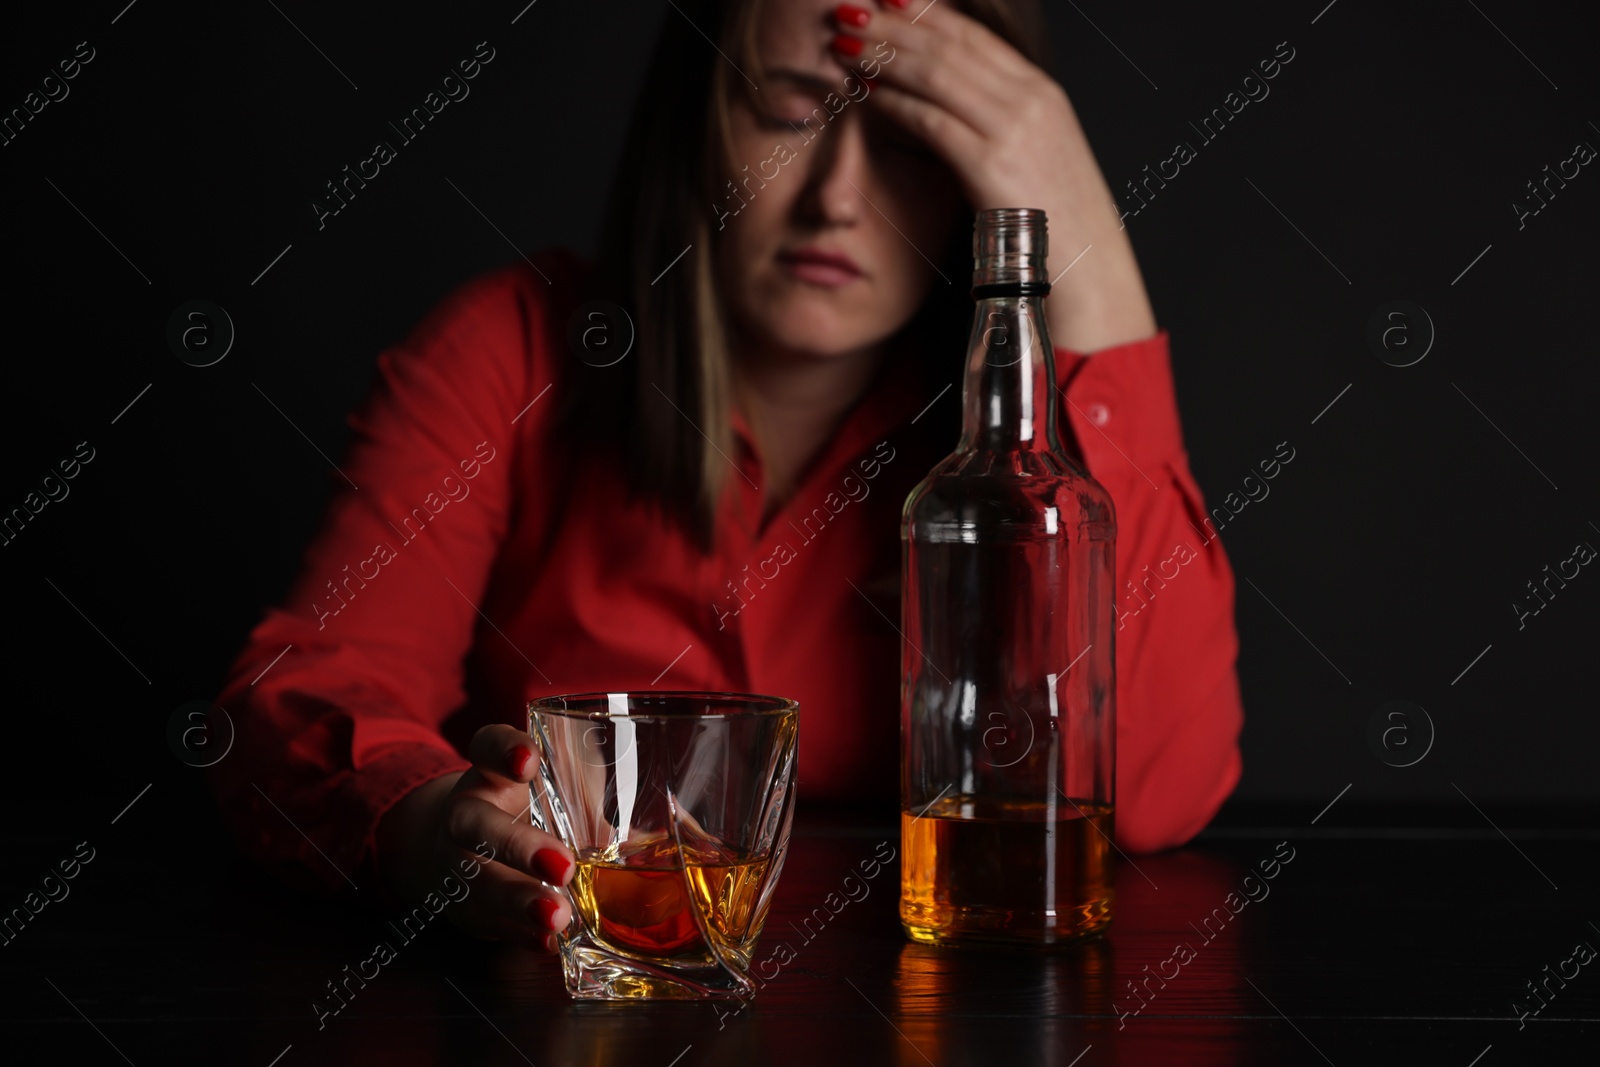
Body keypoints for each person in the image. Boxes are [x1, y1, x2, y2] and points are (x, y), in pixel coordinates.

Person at [211, 0, 1244, 955]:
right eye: (792, 113)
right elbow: (307, 692)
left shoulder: (1004, 483)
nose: (838, 200)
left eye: (907, 140)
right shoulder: (514, 349)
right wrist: (422, 822)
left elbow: (1152, 792)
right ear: (694, 126)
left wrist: (1082, 244)